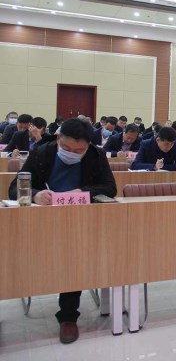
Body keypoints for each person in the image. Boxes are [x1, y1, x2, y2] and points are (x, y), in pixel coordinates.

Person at [8, 118, 117, 344]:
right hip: (40, 221)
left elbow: (110, 188)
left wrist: (84, 192)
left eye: (79, 151)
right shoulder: (42, 152)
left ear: (88, 146)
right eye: (67, 148)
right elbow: (14, 188)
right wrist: (35, 194)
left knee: (73, 260)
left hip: (77, 223)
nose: (71, 154)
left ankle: (68, 316)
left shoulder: (96, 156)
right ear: (58, 138)